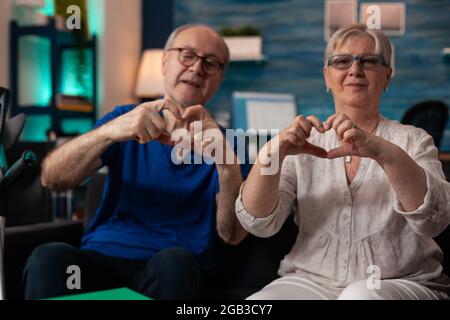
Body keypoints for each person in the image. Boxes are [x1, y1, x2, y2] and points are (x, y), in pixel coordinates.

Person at [23, 24, 248, 300]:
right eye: (187, 55)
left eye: (210, 63)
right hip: (102, 261)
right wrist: (108, 132)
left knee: (174, 264)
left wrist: (227, 166)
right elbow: (52, 179)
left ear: (219, 77)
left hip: (174, 272)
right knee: (49, 258)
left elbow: (231, 234)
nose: (197, 68)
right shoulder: (126, 118)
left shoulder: (230, 144)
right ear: (165, 62)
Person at [235, 24, 450, 300]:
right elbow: (259, 223)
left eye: (370, 61)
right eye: (341, 61)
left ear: (387, 76)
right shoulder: (303, 144)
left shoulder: (415, 140)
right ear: (327, 76)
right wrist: (273, 152)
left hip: (401, 280)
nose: (355, 70)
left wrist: (382, 152)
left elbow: (435, 220)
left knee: (359, 296)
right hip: (310, 280)